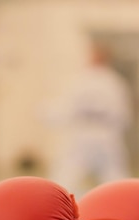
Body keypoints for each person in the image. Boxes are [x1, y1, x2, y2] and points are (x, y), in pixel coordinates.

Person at [41, 44, 133, 195]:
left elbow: (66, 110)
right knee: (114, 175)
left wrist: (46, 114)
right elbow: (123, 115)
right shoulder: (114, 82)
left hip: (83, 134)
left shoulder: (80, 80)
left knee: (66, 173)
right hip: (106, 134)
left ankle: (56, 202)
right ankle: (123, 201)